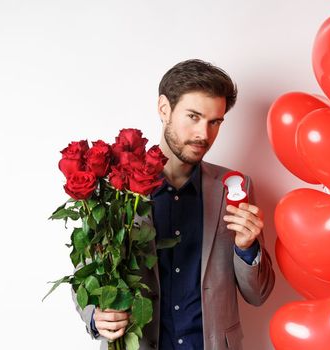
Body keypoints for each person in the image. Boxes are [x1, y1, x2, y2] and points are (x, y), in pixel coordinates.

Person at [73, 59, 275, 350]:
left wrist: (247, 248)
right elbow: (87, 273)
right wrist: (94, 316)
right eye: (193, 116)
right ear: (164, 109)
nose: (204, 134)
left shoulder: (234, 187)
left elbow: (258, 294)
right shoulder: (116, 188)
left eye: (214, 121)